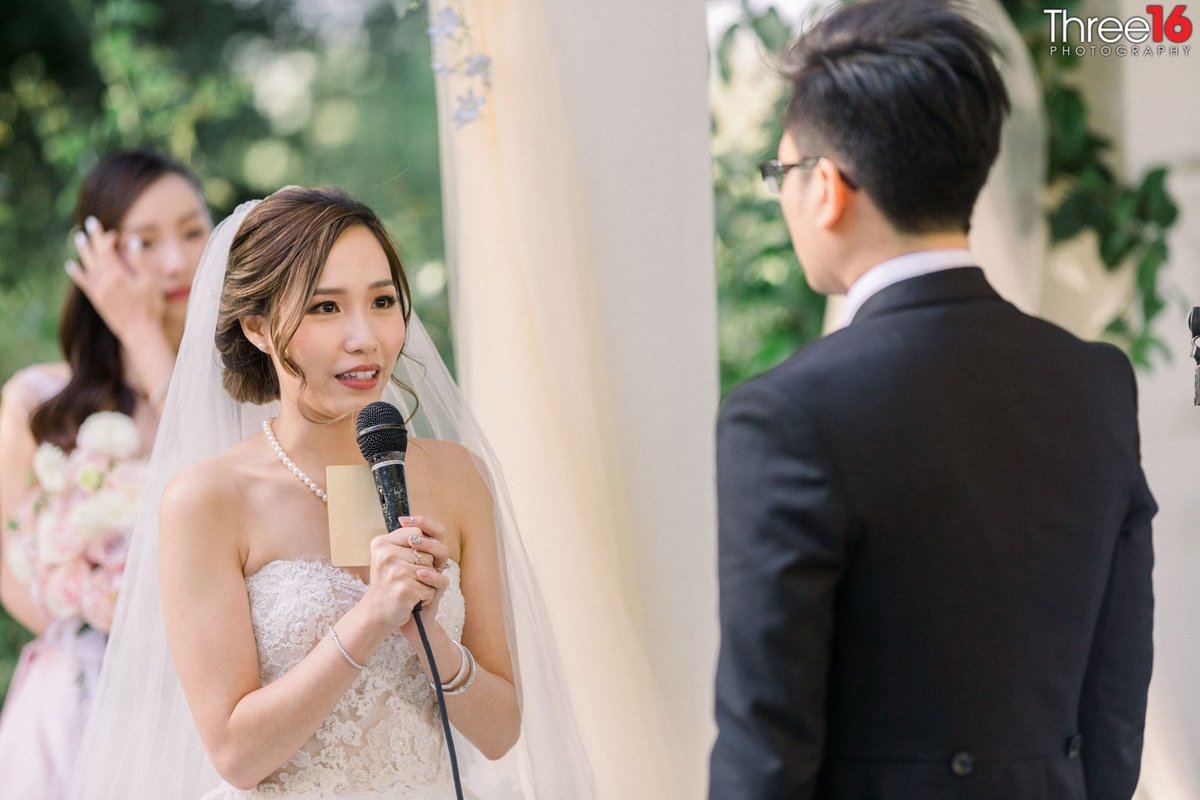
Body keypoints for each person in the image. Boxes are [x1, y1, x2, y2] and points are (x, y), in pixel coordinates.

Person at [708, 2, 1156, 798]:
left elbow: (766, 746)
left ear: (829, 188)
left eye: (781, 172)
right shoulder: (1094, 382)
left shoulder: (785, 414)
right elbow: (1114, 698)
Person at [72, 187, 591, 799]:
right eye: (324, 308)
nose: (364, 337)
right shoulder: (209, 500)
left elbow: (501, 731)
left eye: (382, 301)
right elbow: (235, 755)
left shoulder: (456, 478)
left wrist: (430, 640)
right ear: (258, 326)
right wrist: (371, 617)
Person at [0, 150, 212, 798]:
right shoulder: (38, 401)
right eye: (144, 242)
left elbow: (215, 472)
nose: (176, 262)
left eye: (193, 232)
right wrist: (111, 627)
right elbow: (12, 572)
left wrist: (144, 335)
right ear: (95, 255)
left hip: (208, 692)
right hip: (81, 698)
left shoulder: (241, 395)